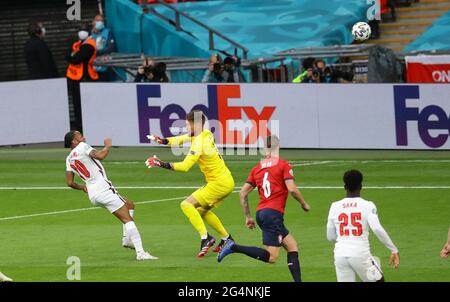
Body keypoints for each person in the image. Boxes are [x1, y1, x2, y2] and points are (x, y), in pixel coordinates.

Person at [217, 135, 311, 283]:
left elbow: (242, 193)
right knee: (272, 257)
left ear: (265, 149)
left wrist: (248, 217)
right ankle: (234, 247)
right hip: (273, 215)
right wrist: (304, 204)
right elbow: (292, 189)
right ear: (278, 147)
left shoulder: (257, 168)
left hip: (262, 213)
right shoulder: (283, 165)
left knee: (292, 245)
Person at [145, 111, 234, 257]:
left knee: (186, 205)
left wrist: (160, 164)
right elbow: (182, 138)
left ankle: (205, 238)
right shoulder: (205, 133)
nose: (185, 126)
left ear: (196, 124)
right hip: (226, 180)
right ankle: (227, 239)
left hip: (218, 183)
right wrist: (163, 140)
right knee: (200, 211)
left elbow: (185, 166)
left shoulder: (199, 143)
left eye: (187, 124)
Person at [64, 130, 158, 261]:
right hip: (103, 189)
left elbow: (69, 182)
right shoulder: (82, 146)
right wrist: (107, 146)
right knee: (127, 219)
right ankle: (141, 253)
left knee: (129, 204)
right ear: (74, 141)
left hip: (92, 194)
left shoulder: (69, 159)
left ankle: (127, 240)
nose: (83, 136)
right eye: (79, 135)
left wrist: (83, 187)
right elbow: (100, 156)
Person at [326, 170, 400, 282]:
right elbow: (376, 228)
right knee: (379, 280)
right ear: (361, 186)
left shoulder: (334, 206)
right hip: (360, 255)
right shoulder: (368, 205)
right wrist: (393, 249)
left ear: (344, 186)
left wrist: (345, 241)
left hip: (340, 255)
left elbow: (330, 236)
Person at [66, 24, 99, 132]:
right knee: (77, 105)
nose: (81, 32)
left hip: (85, 77)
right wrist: (70, 56)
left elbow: (76, 59)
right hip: (76, 77)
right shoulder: (80, 43)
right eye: (80, 30)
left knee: (82, 106)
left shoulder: (88, 45)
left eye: (83, 30)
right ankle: (80, 129)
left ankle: (84, 129)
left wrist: (69, 56)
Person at [91, 14, 116, 81]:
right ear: (93, 22)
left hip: (105, 66)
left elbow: (110, 48)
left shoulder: (108, 32)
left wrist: (95, 52)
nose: (100, 22)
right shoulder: (90, 34)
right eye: (98, 20)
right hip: (92, 68)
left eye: (102, 21)